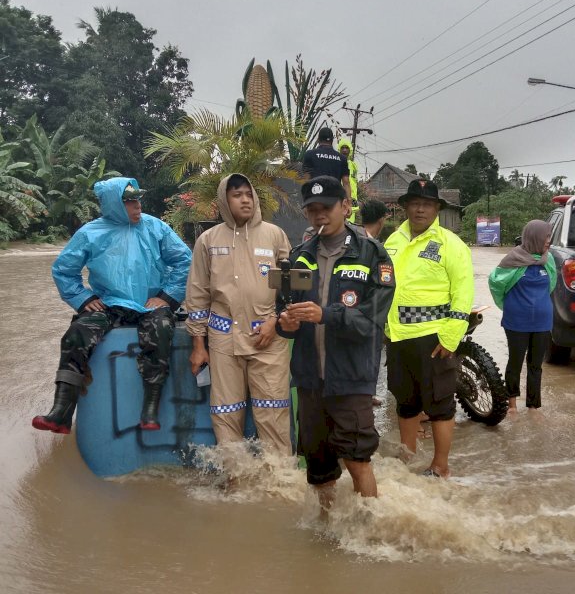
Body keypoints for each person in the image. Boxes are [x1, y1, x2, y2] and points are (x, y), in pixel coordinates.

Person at [32, 178, 191, 434]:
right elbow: (64, 270)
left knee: (162, 329)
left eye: (138, 200)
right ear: (114, 205)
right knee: (76, 335)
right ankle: (60, 412)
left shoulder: (156, 227)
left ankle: (150, 409)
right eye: (130, 201)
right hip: (109, 304)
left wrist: (167, 297)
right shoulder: (89, 233)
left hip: (149, 303)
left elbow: (184, 260)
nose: (138, 206)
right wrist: (84, 299)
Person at [276, 175, 394, 505]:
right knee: (319, 469)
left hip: (352, 379)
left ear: (345, 206)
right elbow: (283, 312)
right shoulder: (298, 256)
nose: (319, 215)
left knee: (358, 460)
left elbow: (373, 321)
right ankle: (326, 535)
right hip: (310, 380)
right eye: (311, 210)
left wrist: (326, 314)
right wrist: (284, 322)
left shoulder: (373, 255)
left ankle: (367, 535)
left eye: (326, 207)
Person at [185, 174, 293, 453]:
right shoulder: (207, 240)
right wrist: (199, 344)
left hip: (268, 338)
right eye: (236, 195)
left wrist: (275, 323)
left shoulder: (274, 235)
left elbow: (290, 292)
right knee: (226, 413)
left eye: (248, 193)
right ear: (224, 200)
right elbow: (198, 293)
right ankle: (236, 478)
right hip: (223, 339)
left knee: (274, 412)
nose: (245, 199)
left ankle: (278, 482)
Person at [384, 179, 474, 478]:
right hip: (397, 337)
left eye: (427, 203)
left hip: (434, 338)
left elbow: (463, 292)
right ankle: (407, 459)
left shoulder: (451, 244)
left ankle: (440, 466)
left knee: (440, 405)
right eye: (414, 203)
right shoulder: (392, 242)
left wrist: (451, 336)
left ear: (437, 208)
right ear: (406, 207)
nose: (420, 208)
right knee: (405, 401)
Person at [488, 220, 556, 412]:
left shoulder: (547, 259)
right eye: (546, 237)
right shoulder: (513, 259)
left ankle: (533, 406)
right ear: (535, 237)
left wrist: (540, 304)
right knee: (515, 362)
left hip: (542, 321)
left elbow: (552, 284)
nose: (548, 241)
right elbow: (496, 284)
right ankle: (511, 404)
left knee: (536, 365)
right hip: (516, 322)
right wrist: (508, 306)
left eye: (549, 237)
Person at [302, 127, 351, 199]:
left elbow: (306, 180)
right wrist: (349, 203)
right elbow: (346, 183)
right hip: (334, 200)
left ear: (318, 139)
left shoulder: (309, 154)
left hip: (316, 199)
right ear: (332, 140)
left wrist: (306, 200)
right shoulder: (342, 158)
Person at [337, 136, 360, 223]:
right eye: (342, 148)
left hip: (352, 199)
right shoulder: (337, 163)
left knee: (351, 225)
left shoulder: (353, 165)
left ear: (350, 150)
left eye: (347, 148)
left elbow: (354, 183)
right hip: (341, 199)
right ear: (339, 149)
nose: (345, 150)